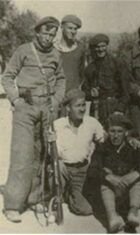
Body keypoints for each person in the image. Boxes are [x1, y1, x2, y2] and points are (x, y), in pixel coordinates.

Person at [1, 16, 65, 223]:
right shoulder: (23, 51)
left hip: (47, 108)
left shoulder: (56, 54)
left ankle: (35, 197)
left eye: (52, 34)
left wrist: (55, 101)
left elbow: (62, 80)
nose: (49, 38)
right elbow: (8, 76)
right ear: (37, 32)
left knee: (42, 154)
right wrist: (15, 99)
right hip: (25, 108)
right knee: (22, 155)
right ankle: (13, 204)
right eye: (46, 33)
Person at [89, 114, 140, 233]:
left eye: (120, 131)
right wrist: (109, 177)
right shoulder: (102, 148)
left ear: (126, 133)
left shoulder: (134, 146)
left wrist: (133, 175)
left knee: (139, 179)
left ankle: (133, 213)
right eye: (112, 131)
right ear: (107, 131)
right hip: (111, 194)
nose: (116, 136)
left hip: (128, 193)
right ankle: (112, 217)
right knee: (104, 181)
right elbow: (92, 169)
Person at [48, 89, 105, 215]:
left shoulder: (92, 123)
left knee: (86, 210)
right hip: (62, 170)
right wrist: (57, 160)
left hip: (82, 172)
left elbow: (104, 141)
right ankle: (60, 192)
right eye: (77, 106)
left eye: (83, 105)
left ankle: (70, 194)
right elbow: (50, 151)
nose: (82, 109)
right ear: (68, 108)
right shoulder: (57, 125)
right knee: (54, 183)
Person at [82, 33, 127, 124]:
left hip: (114, 106)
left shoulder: (117, 63)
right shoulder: (90, 68)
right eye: (97, 47)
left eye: (103, 46)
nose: (100, 49)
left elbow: (125, 89)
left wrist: (120, 109)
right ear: (94, 49)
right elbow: (85, 90)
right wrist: (90, 93)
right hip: (97, 108)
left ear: (107, 46)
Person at [55, 14, 86, 93]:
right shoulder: (53, 48)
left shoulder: (80, 48)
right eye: (70, 28)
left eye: (75, 29)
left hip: (73, 94)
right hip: (55, 93)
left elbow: (82, 72)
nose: (73, 32)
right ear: (62, 27)